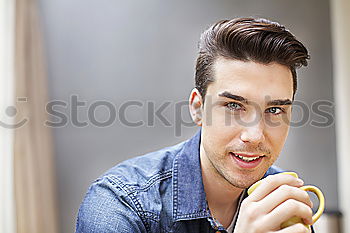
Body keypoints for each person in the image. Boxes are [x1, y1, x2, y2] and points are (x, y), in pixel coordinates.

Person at [76, 17, 315, 233]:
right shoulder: (121, 203)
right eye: (233, 106)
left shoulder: (283, 197)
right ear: (197, 108)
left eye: (274, 110)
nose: (254, 136)